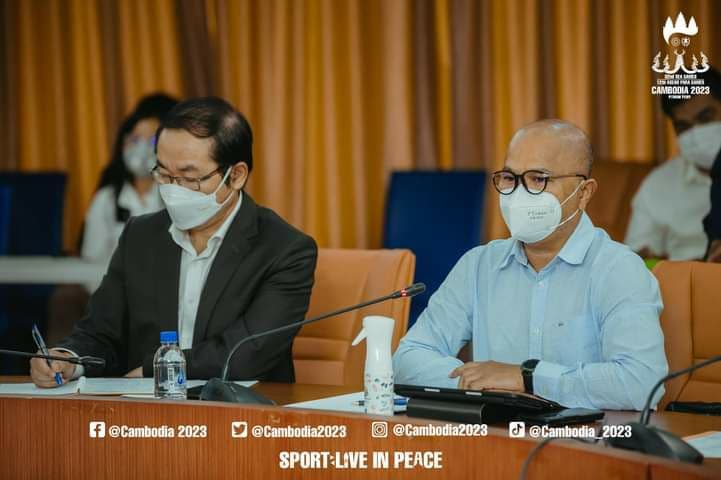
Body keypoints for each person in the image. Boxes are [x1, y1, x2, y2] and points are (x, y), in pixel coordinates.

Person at [30, 97, 318, 386]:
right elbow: (101, 331)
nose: (174, 190)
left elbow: (247, 353)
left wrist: (154, 368)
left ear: (236, 175)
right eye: (164, 174)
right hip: (144, 406)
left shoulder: (285, 250)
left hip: (241, 406)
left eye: (189, 178)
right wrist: (67, 358)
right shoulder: (140, 236)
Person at [393, 120, 668, 411]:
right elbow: (408, 358)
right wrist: (478, 382)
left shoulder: (619, 270)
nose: (519, 194)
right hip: (494, 431)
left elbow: (641, 383)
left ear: (584, 193)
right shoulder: (479, 265)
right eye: (510, 178)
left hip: (584, 435)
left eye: (538, 179)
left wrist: (527, 378)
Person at [625, 67, 721, 261]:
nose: (696, 134)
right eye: (684, 126)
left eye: (705, 118)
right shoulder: (658, 184)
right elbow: (634, 259)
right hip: (679, 276)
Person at [81, 93, 178, 265]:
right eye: (135, 139)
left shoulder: (178, 196)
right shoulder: (107, 199)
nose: (142, 149)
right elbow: (91, 261)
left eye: (152, 141)